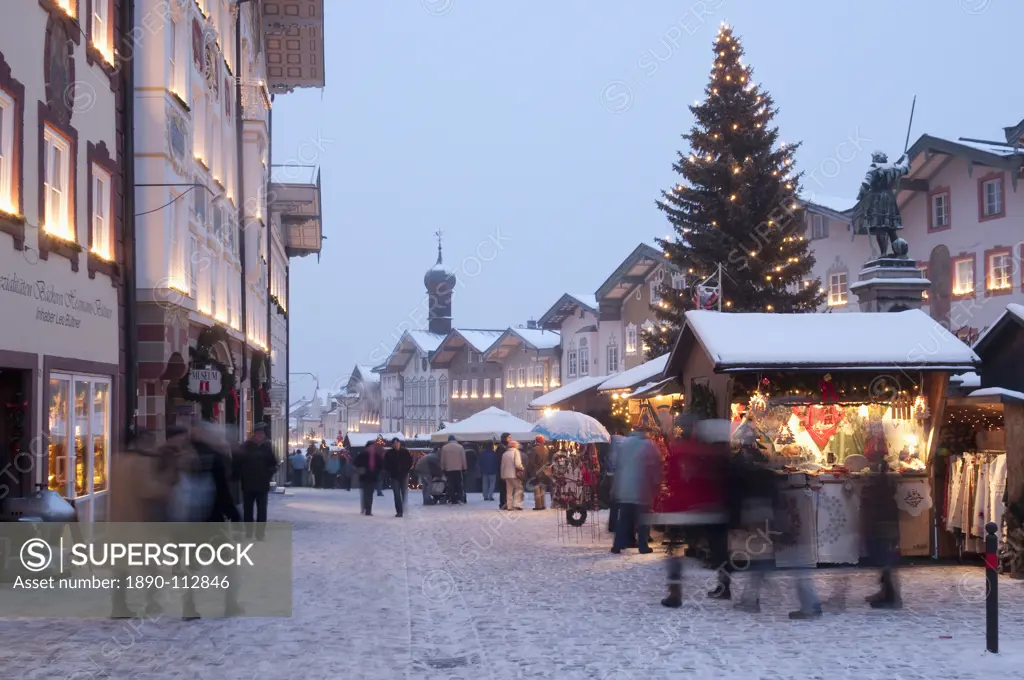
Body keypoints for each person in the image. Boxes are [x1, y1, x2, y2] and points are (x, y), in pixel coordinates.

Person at [109, 428, 189, 618]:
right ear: (144, 442)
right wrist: (169, 486)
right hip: (140, 523)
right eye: (151, 442)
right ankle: (152, 603)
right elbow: (149, 490)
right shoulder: (141, 462)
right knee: (151, 567)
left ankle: (118, 606)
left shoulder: (117, 460)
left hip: (118, 523)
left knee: (121, 568)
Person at [181, 421, 244, 620]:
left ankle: (188, 606)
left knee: (190, 566)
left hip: (189, 521)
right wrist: (235, 517)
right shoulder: (215, 458)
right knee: (228, 565)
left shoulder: (185, 455)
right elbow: (222, 492)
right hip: (212, 521)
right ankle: (230, 604)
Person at [611, 428, 660, 554]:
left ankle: (618, 544)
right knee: (643, 519)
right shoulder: (648, 445)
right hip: (641, 487)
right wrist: (656, 484)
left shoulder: (625, 443)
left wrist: (617, 486)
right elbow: (655, 466)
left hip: (625, 487)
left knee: (624, 518)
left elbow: (618, 465)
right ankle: (643, 546)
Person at [862, 458, 902, 609]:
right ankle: (886, 592)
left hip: (884, 527)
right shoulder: (885, 487)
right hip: (887, 526)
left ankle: (891, 597)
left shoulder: (880, 490)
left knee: (886, 561)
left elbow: (877, 508)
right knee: (885, 560)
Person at [236, 423, 278, 541]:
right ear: (254, 434)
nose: (259, 435)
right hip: (248, 483)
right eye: (258, 433)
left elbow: (273, 463)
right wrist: (241, 474)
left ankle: (260, 533)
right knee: (248, 510)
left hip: (262, 484)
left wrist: (269, 472)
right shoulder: (246, 446)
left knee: (262, 510)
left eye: (261, 434)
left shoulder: (267, 447)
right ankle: (249, 532)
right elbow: (238, 463)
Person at [385, 438, 413, 517]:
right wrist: (390, 472)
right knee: (396, 494)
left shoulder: (405, 452)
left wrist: (407, 469)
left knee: (404, 493)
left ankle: (403, 507)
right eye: (394, 443)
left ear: (399, 444)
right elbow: (386, 464)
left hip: (404, 475)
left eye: (397, 443)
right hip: (394, 476)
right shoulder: (389, 453)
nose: (396, 445)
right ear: (392, 445)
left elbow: (410, 461)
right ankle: (399, 511)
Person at [354, 444, 382, 515]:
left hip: (372, 477)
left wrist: (376, 472)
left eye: (372, 447)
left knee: (370, 493)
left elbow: (380, 465)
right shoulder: (362, 455)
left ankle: (368, 508)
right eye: (370, 447)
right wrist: (361, 470)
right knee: (366, 493)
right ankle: (367, 509)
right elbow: (356, 463)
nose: (371, 448)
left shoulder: (376, 456)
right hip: (364, 477)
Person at [440, 435, 467, 505]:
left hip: (448, 469)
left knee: (450, 484)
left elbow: (442, 460)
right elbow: (463, 458)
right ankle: (459, 498)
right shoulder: (460, 447)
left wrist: (442, 468)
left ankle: (452, 499)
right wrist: (464, 467)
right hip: (458, 469)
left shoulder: (444, 448)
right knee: (459, 484)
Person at [528, 435, 551, 510]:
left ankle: (538, 505)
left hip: (536, 471)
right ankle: (543, 504)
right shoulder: (546, 449)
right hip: (544, 470)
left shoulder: (534, 449)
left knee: (537, 488)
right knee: (542, 488)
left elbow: (531, 461)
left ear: (536, 440)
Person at [501, 440, 525, 511]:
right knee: (519, 488)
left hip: (506, 475)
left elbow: (502, 466)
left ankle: (509, 506)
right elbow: (517, 464)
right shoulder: (516, 452)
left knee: (509, 491)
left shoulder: (505, 453)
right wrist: (522, 468)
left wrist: (502, 475)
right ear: (515, 446)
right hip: (514, 474)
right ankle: (517, 504)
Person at [496, 433, 510, 509]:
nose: (510, 439)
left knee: (505, 487)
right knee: (504, 487)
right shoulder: (502, 447)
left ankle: (504, 503)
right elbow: (501, 460)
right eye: (509, 437)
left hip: (503, 469)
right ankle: (503, 503)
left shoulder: (502, 447)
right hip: (502, 470)